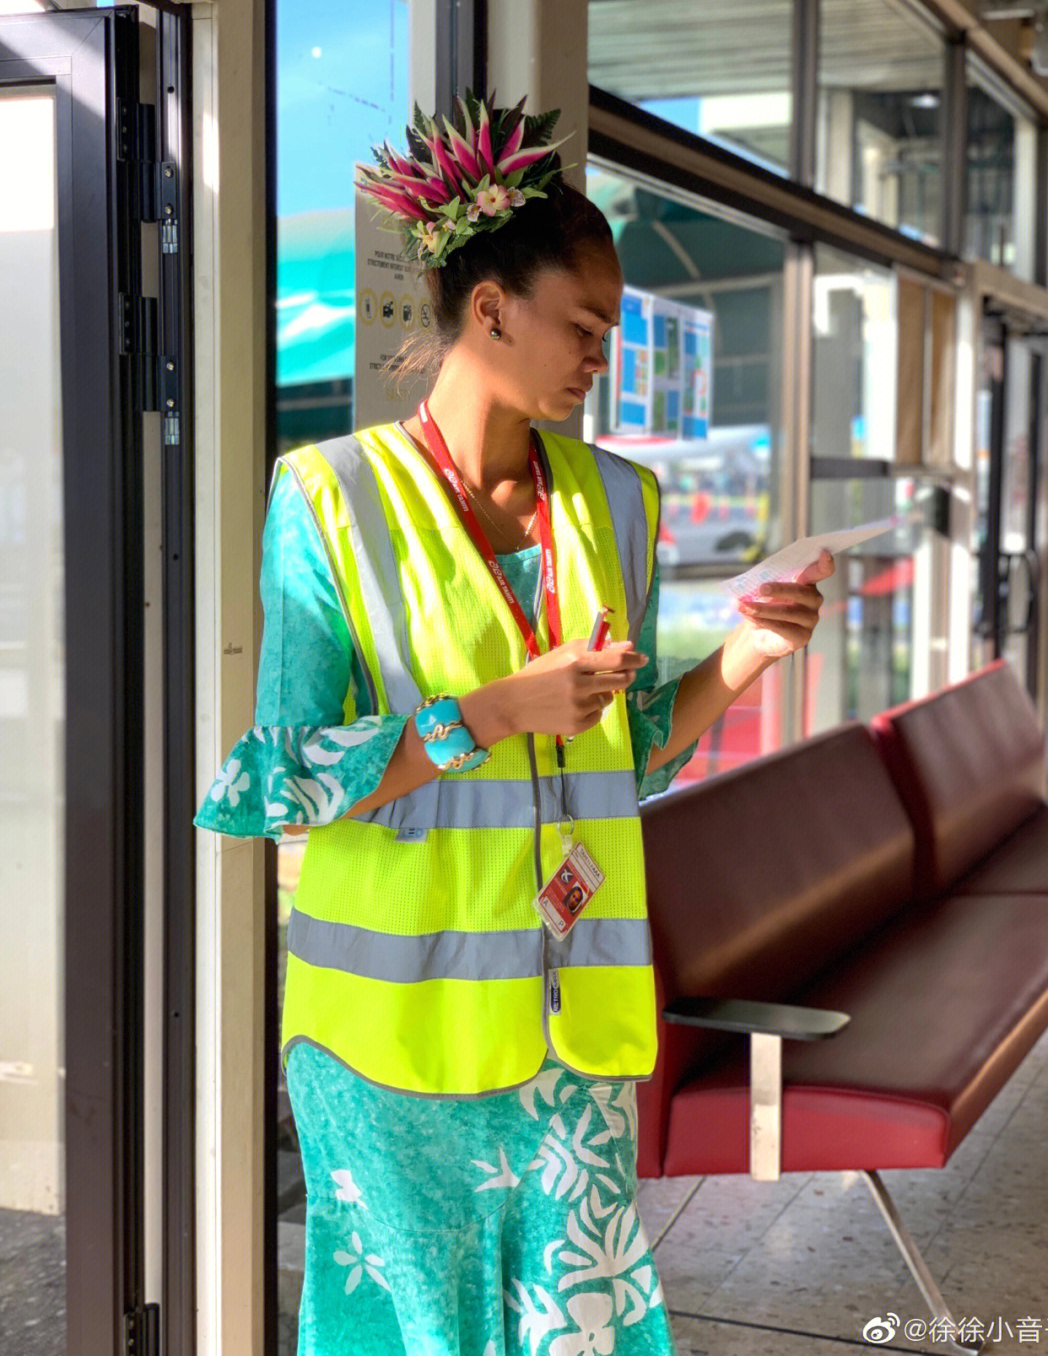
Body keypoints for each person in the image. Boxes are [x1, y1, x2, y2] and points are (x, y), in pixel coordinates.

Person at [196, 89, 834, 1356]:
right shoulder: (327, 499)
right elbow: (268, 781)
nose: (604, 353)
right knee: (410, 1333)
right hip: (386, 1036)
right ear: (489, 309)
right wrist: (485, 712)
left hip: (572, 1027)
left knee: (579, 1328)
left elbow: (630, 748)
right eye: (584, 325)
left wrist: (750, 653)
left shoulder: (624, 503)